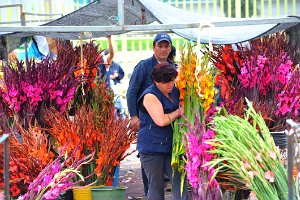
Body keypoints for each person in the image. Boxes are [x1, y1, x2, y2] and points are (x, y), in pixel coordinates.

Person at [126, 33, 173, 196]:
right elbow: (132, 91)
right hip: (148, 122)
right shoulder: (144, 66)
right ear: (153, 47)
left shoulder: (174, 67)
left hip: (169, 126)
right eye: (160, 46)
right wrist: (133, 115)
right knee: (151, 166)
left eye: (166, 46)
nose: (163, 49)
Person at [137, 62, 188, 200]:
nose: (170, 85)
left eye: (172, 81)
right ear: (156, 81)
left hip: (172, 147)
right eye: (166, 82)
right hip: (152, 148)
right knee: (156, 188)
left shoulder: (175, 91)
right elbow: (161, 120)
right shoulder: (149, 96)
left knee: (181, 184)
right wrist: (179, 112)